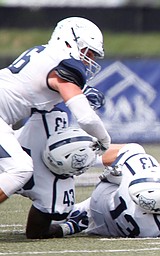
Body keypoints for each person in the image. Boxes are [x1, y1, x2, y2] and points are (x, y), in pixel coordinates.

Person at [0, 17, 111, 204]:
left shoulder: (45, 54)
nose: (90, 60)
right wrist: (104, 139)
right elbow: (86, 119)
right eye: (88, 52)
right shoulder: (64, 64)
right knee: (20, 168)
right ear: (71, 41)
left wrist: (80, 91)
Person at [15, 87, 105, 239]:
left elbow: (36, 94)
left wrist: (78, 96)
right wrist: (68, 228)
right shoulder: (57, 194)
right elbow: (35, 232)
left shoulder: (51, 119)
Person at [72, 143, 160, 238]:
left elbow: (129, 153)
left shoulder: (137, 165)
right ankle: (71, 216)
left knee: (133, 149)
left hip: (103, 196)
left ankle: (77, 158)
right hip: (104, 227)